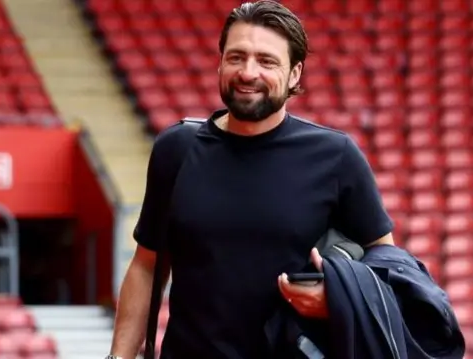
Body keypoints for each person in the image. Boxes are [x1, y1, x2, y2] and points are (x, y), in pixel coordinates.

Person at [108, 1, 396, 358]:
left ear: (295, 74)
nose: (248, 72)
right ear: (220, 62)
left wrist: (337, 298)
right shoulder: (176, 149)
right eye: (236, 57)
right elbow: (147, 265)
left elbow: (387, 262)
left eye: (267, 61)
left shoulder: (335, 156)